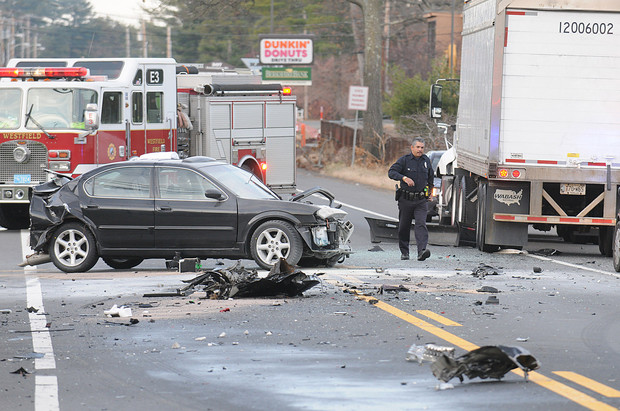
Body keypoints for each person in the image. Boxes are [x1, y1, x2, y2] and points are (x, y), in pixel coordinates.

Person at [388, 137, 434, 261]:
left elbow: (430, 177)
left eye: (422, 148)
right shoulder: (404, 160)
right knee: (404, 226)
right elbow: (391, 172)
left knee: (421, 224)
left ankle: (421, 251)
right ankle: (404, 252)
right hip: (406, 199)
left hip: (420, 200)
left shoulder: (426, 161)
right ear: (412, 147)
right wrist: (403, 178)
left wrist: (430, 192)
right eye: (418, 147)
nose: (420, 150)